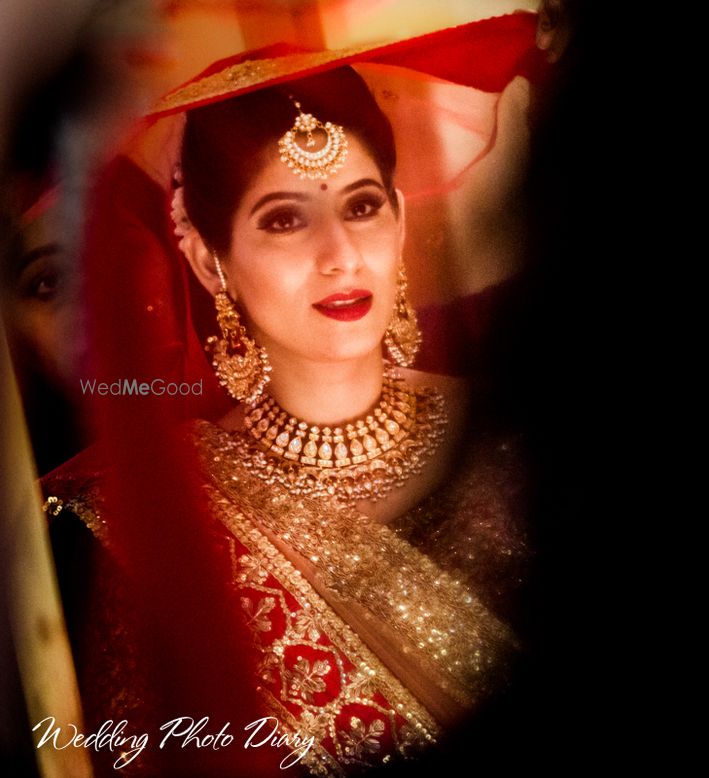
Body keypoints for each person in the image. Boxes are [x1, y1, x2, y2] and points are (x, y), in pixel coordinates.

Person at [40, 15, 546, 776]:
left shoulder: (515, 437)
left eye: (362, 205)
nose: (340, 254)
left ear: (400, 218)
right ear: (207, 259)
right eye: (284, 219)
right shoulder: (160, 519)